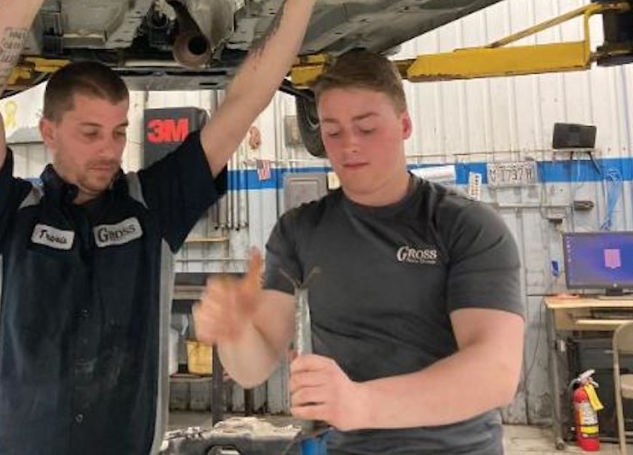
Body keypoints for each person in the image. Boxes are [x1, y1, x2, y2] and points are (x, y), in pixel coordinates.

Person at [0, 0, 321, 455]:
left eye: (120, 131)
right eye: (90, 133)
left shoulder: (151, 208)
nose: (111, 149)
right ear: (48, 132)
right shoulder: (5, 217)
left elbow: (244, 101)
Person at [193, 51, 525, 454]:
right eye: (333, 132)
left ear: (404, 125)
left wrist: (362, 403)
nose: (349, 145)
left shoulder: (465, 227)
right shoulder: (301, 229)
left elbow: (495, 372)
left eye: (366, 128)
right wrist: (235, 332)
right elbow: (255, 365)